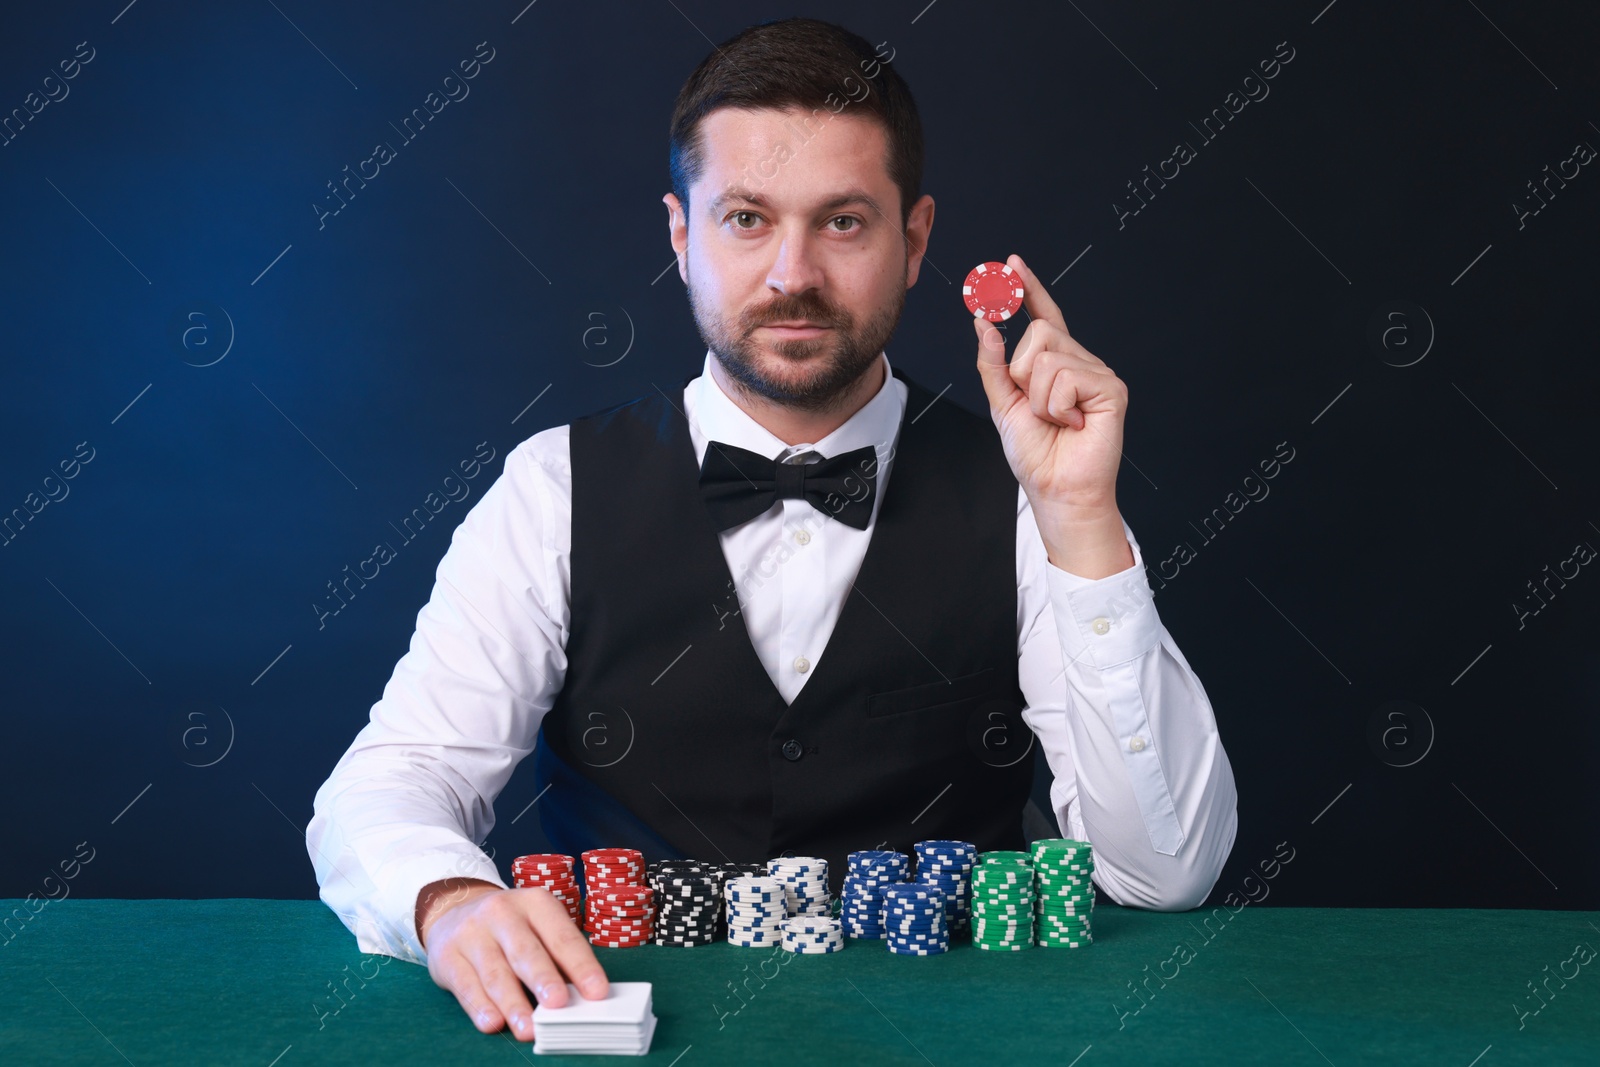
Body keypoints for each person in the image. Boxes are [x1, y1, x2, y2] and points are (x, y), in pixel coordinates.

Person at [307, 16, 1237, 1043]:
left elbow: (1165, 873)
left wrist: (1080, 518)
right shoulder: (550, 488)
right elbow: (394, 779)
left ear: (914, 239)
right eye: (746, 218)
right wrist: (450, 901)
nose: (792, 273)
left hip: (955, 1039)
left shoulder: (1027, 491)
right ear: (680, 235)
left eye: (842, 222)